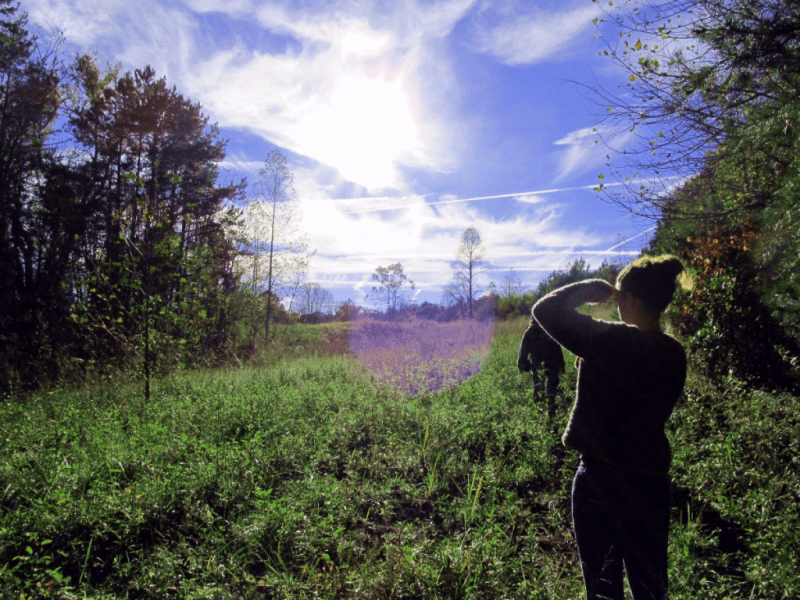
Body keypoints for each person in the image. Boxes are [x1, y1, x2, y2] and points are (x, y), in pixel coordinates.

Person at [532, 255, 688, 600]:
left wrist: (588, 289)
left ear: (630, 299)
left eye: (620, 298)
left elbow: (545, 308)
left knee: (603, 590)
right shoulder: (674, 353)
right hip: (650, 483)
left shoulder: (612, 341)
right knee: (651, 588)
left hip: (601, 481)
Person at [517, 316, 565, 416]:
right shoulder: (549, 330)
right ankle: (551, 413)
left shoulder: (529, 332)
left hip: (537, 365)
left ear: (532, 320)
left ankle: (541, 413)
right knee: (551, 389)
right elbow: (557, 349)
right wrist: (561, 366)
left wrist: (523, 365)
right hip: (552, 365)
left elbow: (524, 350)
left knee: (539, 386)